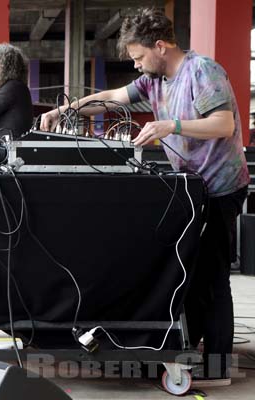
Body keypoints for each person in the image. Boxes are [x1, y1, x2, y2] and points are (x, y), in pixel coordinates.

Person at [40, 8, 249, 385]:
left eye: (138, 57)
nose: (136, 66)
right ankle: (198, 345)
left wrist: (172, 125)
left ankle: (218, 369)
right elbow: (113, 98)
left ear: (160, 46)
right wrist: (65, 109)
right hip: (192, 187)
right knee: (193, 273)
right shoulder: (154, 80)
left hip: (220, 187)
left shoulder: (201, 71)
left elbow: (225, 124)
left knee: (213, 277)